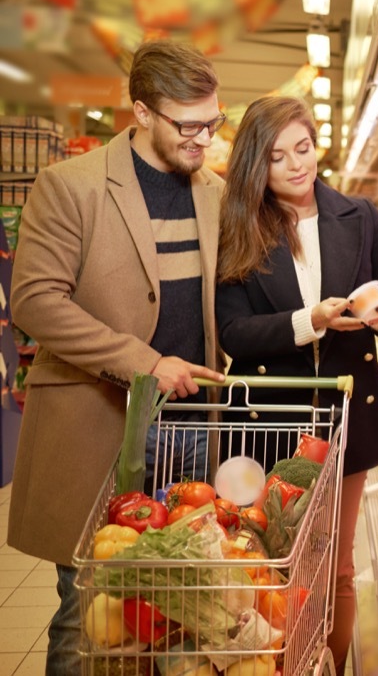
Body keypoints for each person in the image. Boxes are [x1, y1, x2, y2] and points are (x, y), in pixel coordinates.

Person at [7, 39, 226, 675]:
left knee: (171, 610)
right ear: (142, 112)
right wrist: (142, 360)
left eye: (211, 121)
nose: (203, 138)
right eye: (189, 125)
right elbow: (35, 301)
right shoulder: (70, 185)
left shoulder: (210, 191)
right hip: (102, 426)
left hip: (189, 435)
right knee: (89, 613)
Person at [216, 95, 378, 670]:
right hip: (269, 423)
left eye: (302, 148)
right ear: (258, 165)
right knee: (270, 565)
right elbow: (235, 332)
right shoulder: (239, 227)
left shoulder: (361, 216)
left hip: (346, 421)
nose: (296, 166)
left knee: (337, 566)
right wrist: (314, 320)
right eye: (278, 157)